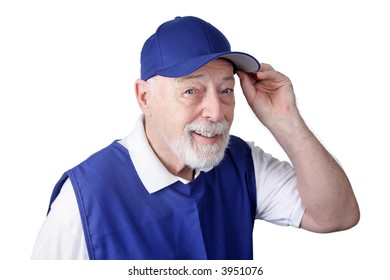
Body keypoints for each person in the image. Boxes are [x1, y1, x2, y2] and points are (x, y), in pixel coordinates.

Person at [31, 16, 359, 260]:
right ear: (145, 96)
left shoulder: (242, 163)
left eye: (227, 90)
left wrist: (286, 121)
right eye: (191, 90)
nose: (216, 112)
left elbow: (337, 215)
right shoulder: (84, 200)